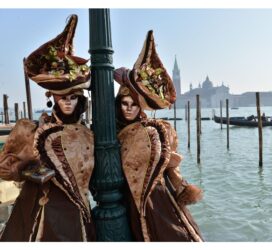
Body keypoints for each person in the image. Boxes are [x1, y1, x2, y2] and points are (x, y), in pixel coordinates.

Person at [0, 14, 95, 241]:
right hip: (38, 210)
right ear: (52, 96)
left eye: (73, 96)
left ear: (80, 99)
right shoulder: (32, 130)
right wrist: (27, 168)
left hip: (78, 214)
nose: (68, 101)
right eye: (62, 96)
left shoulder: (88, 134)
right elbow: (5, 169)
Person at [113, 30, 203, 242]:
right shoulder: (113, 132)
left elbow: (170, 163)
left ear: (140, 106)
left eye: (134, 105)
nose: (129, 109)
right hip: (130, 201)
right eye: (124, 104)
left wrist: (180, 185)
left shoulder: (156, 129)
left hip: (160, 197)